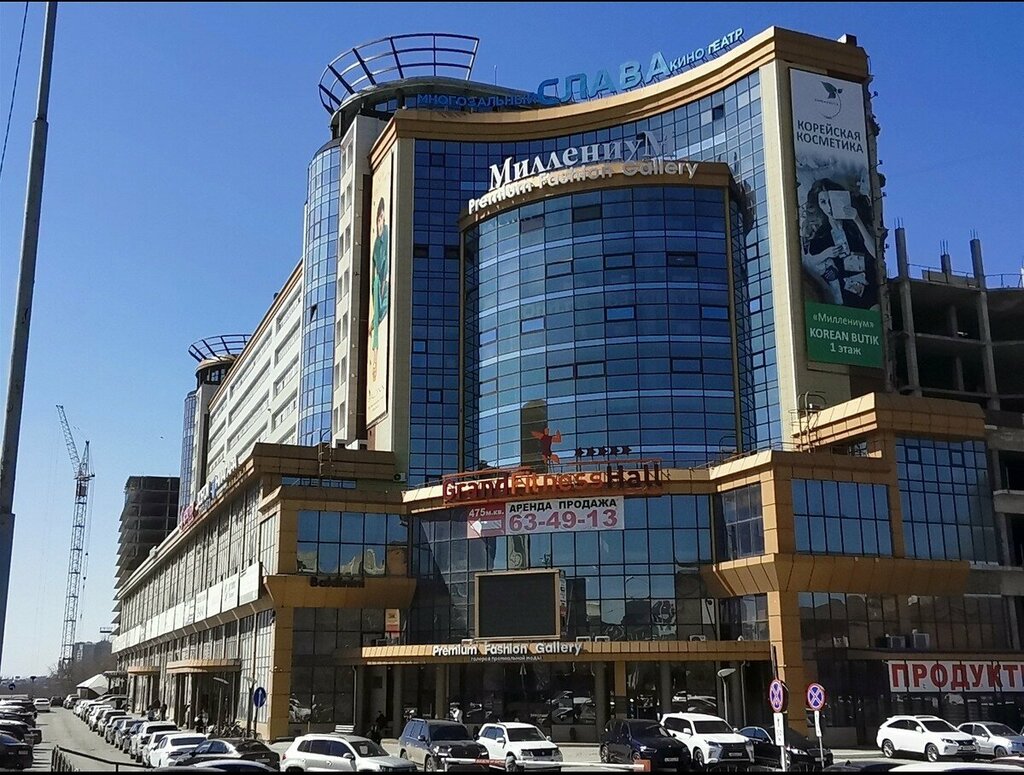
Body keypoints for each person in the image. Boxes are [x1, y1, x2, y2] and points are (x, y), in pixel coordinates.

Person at [800, 177, 878, 309]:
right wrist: (827, 254)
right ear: (818, 205)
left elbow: (876, 254)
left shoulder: (854, 228)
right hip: (842, 302)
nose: (829, 206)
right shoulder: (820, 238)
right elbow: (809, 269)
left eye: (831, 200)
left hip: (869, 292)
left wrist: (857, 220)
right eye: (823, 202)